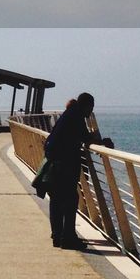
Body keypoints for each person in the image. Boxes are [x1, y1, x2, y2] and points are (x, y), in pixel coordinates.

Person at [43, 92, 96, 250]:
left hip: (54, 161)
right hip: (64, 163)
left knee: (56, 199)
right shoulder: (77, 116)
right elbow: (85, 137)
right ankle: (68, 238)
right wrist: (100, 140)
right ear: (87, 105)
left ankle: (57, 236)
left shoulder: (69, 114)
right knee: (70, 199)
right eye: (91, 108)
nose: (90, 112)